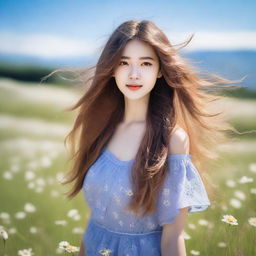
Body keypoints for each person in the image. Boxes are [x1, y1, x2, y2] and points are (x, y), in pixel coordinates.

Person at [58, 20, 242, 256]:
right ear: (112, 68)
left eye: (145, 63)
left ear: (160, 71)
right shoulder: (102, 129)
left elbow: (173, 237)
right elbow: (94, 221)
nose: (134, 74)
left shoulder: (172, 140)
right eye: (124, 63)